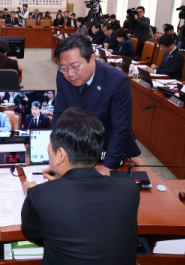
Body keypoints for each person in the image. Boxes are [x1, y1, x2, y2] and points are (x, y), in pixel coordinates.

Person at [21, 107, 139, 265]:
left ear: (61, 155)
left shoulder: (39, 196)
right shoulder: (129, 189)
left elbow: (31, 232)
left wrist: (32, 192)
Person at [52, 35, 140, 176]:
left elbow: (121, 128)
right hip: (79, 147)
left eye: (75, 67)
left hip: (109, 148)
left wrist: (108, 165)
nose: (70, 74)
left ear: (92, 59)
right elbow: (59, 113)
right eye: (64, 68)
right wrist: (52, 153)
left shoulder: (117, 81)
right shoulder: (62, 75)